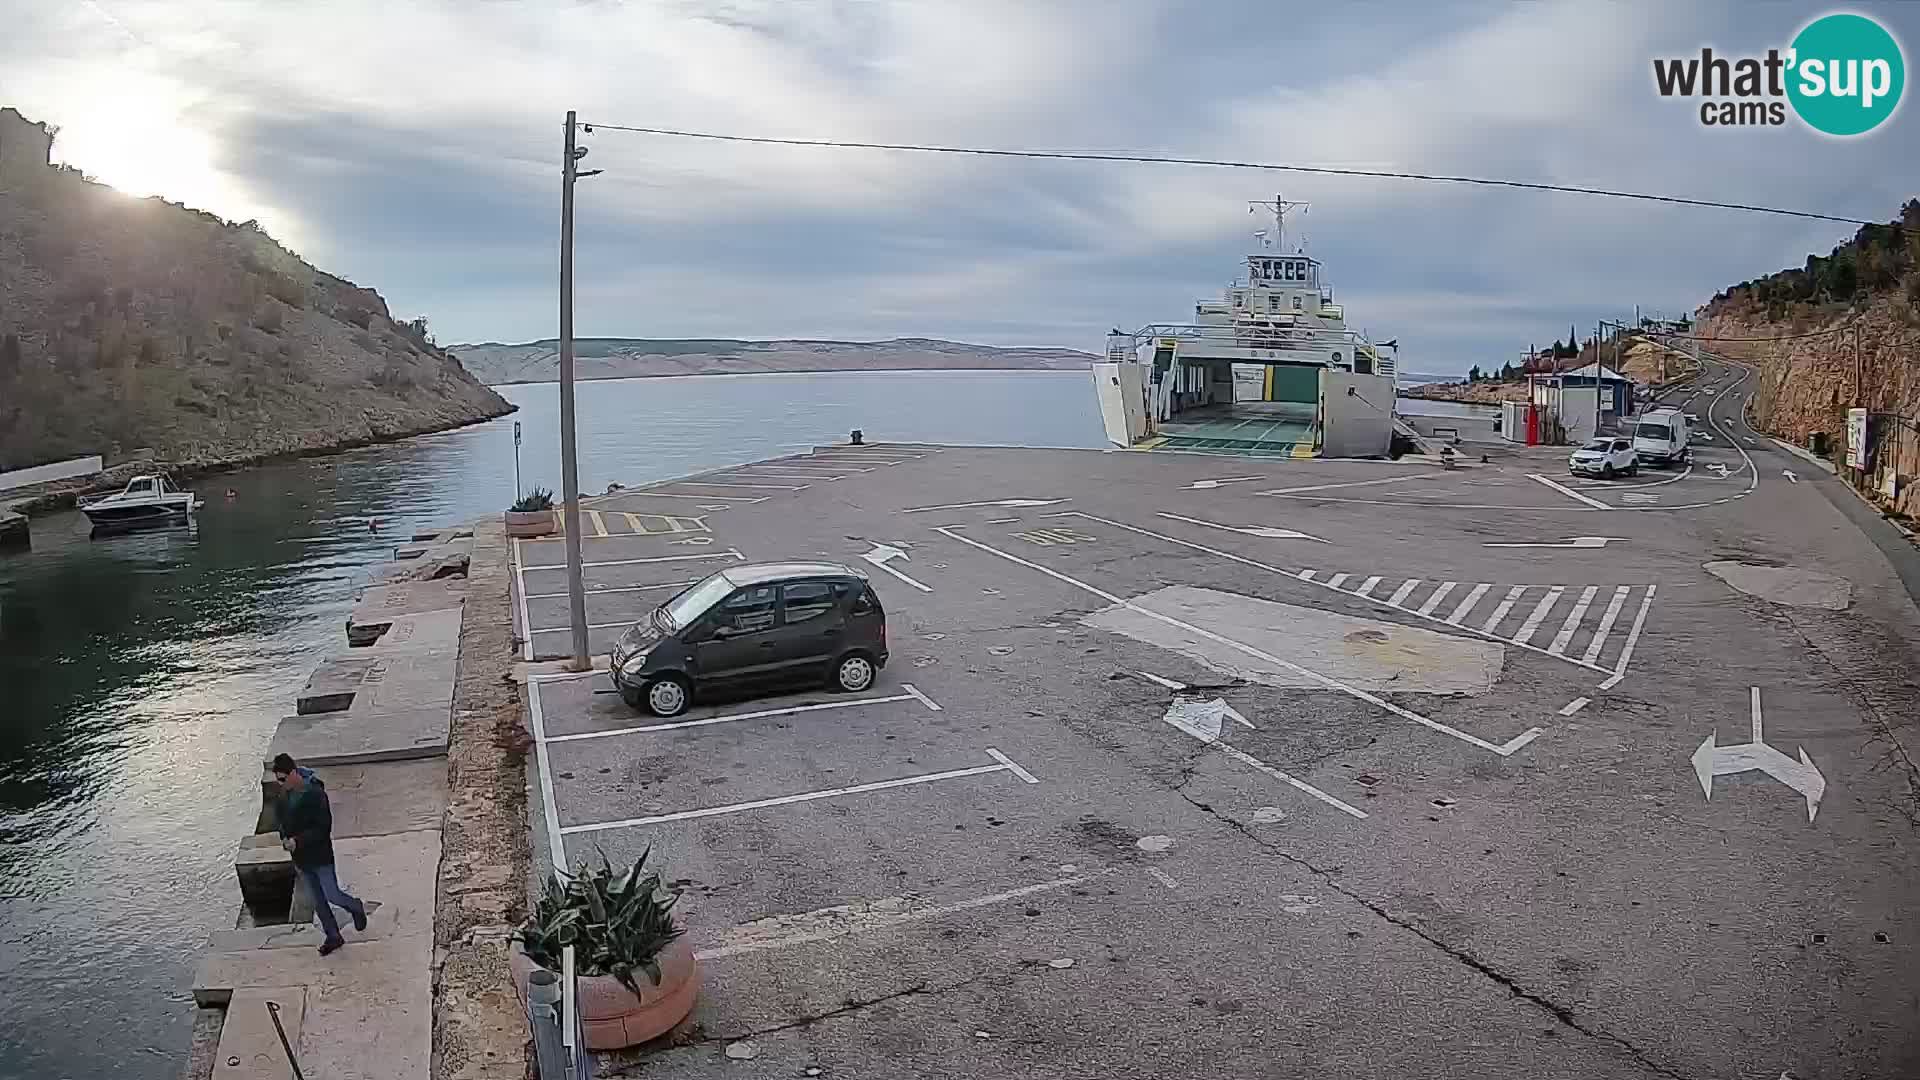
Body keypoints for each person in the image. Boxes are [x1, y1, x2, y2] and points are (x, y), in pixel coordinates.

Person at [272, 753, 371, 956]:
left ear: (293, 773)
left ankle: (355, 906)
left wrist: (297, 840)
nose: (281, 784)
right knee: (317, 901)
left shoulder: (316, 793)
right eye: (278, 780)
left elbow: (323, 827)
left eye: (283, 779)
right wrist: (284, 837)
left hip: (320, 855)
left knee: (332, 894)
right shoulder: (283, 797)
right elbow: (281, 822)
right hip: (300, 858)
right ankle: (333, 936)